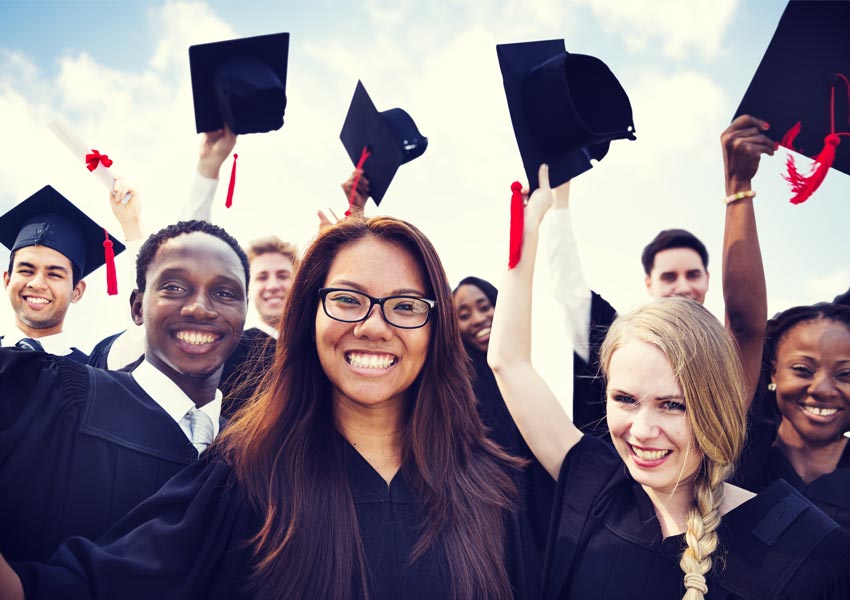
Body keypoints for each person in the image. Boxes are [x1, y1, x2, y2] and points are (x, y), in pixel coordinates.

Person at [0, 215, 539, 600]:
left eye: (405, 306)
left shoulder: (491, 486)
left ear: (434, 328)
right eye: (347, 299)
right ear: (308, 319)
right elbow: (113, 577)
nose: (374, 326)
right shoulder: (248, 473)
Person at [488, 163, 850, 599]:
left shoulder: (809, 554)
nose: (641, 431)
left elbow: (746, 323)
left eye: (672, 405)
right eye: (624, 398)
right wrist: (532, 223)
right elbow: (508, 361)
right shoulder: (598, 485)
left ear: (716, 406)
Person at [0, 219, 248, 564]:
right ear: (137, 308)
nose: (200, 308)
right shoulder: (59, 398)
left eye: (225, 292)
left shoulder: (258, 451)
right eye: (174, 287)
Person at [550, 115, 771, 433]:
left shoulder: (724, 360)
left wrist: (739, 187)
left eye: (692, 275)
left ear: (709, 280)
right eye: (669, 277)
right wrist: (558, 198)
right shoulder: (618, 343)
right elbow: (568, 288)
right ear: (648, 284)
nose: (683, 286)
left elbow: (745, 326)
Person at [733, 302, 850, 529]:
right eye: (802, 369)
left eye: (846, 374)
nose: (822, 389)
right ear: (774, 372)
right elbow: (744, 325)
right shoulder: (738, 461)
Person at [0, 182, 140, 360]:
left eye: (54, 274)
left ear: (77, 291)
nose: (37, 283)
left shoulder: (93, 374)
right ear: (7, 280)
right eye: (26, 270)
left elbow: (145, 330)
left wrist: (132, 226)